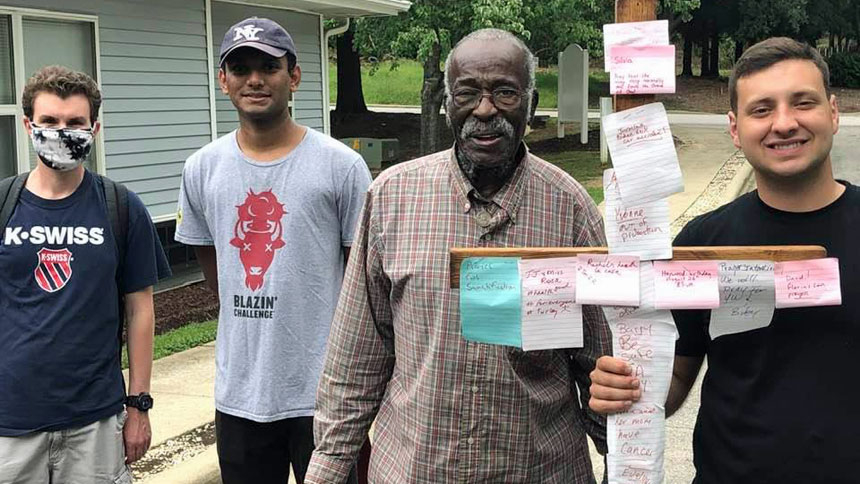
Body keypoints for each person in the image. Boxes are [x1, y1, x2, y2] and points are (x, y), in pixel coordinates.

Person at [306, 29, 611, 484]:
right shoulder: (392, 198)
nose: (485, 110)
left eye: (505, 92)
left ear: (530, 102)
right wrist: (327, 470)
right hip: (415, 469)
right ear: (447, 103)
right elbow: (356, 357)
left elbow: (603, 364)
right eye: (468, 92)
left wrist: (625, 458)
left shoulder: (569, 210)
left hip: (538, 470)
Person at [589, 37, 860, 483]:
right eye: (762, 109)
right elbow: (672, 384)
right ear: (735, 129)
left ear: (833, 112)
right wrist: (627, 385)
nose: (784, 123)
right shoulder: (703, 244)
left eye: (802, 103)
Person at [174, 17, 371, 484]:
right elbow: (216, 272)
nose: (255, 79)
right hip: (239, 394)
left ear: (294, 76)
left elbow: (363, 283)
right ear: (223, 81)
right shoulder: (202, 169)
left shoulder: (341, 167)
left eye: (269, 66)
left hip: (328, 397)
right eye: (240, 68)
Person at [0, 66, 170, 483]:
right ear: (28, 125)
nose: (62, 132)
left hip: (94, 420)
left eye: (75, 122)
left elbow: (140, 310)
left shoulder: (121, 207)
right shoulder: (3, 204)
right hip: (10, 423)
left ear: (94, 127)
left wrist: (139, 406)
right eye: (50, 122)